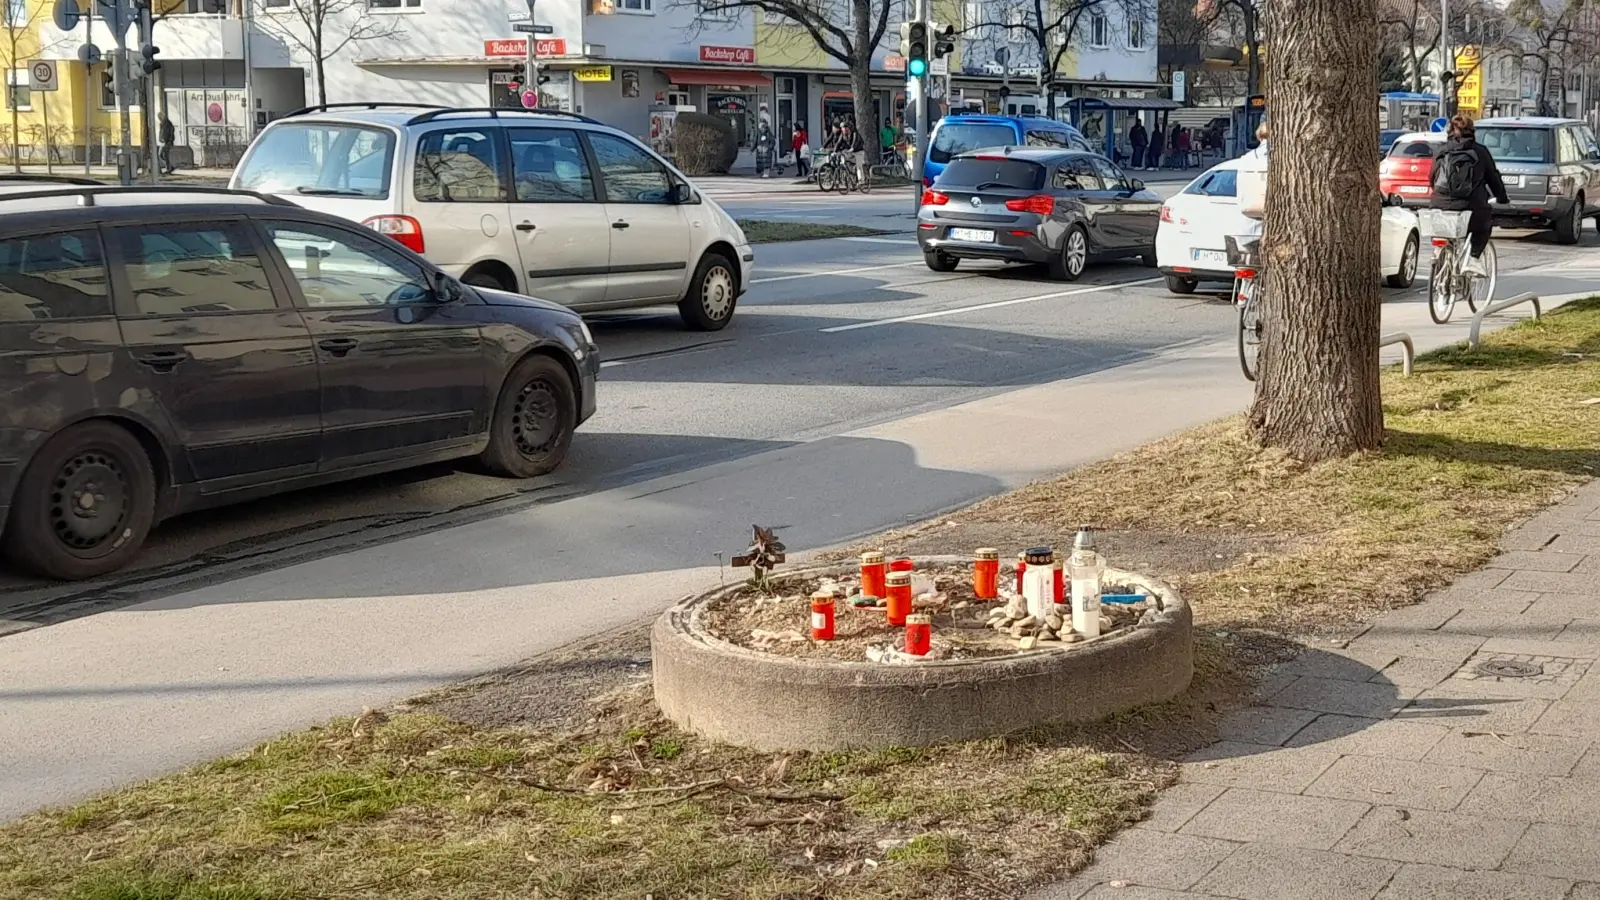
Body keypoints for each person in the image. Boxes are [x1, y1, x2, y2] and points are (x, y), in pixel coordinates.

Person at [1430, 113, 1508, 277]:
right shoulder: (1480, 152)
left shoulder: (1441, 151)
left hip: (1440, 203)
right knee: (1483, 227)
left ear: (1450, 130)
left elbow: (1432, 177)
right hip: (1471, 206)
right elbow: (1493, 178)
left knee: (1442, 232)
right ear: (1472, 131)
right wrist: (1502, 197)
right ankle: (1473, 259)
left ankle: (1439, 252)